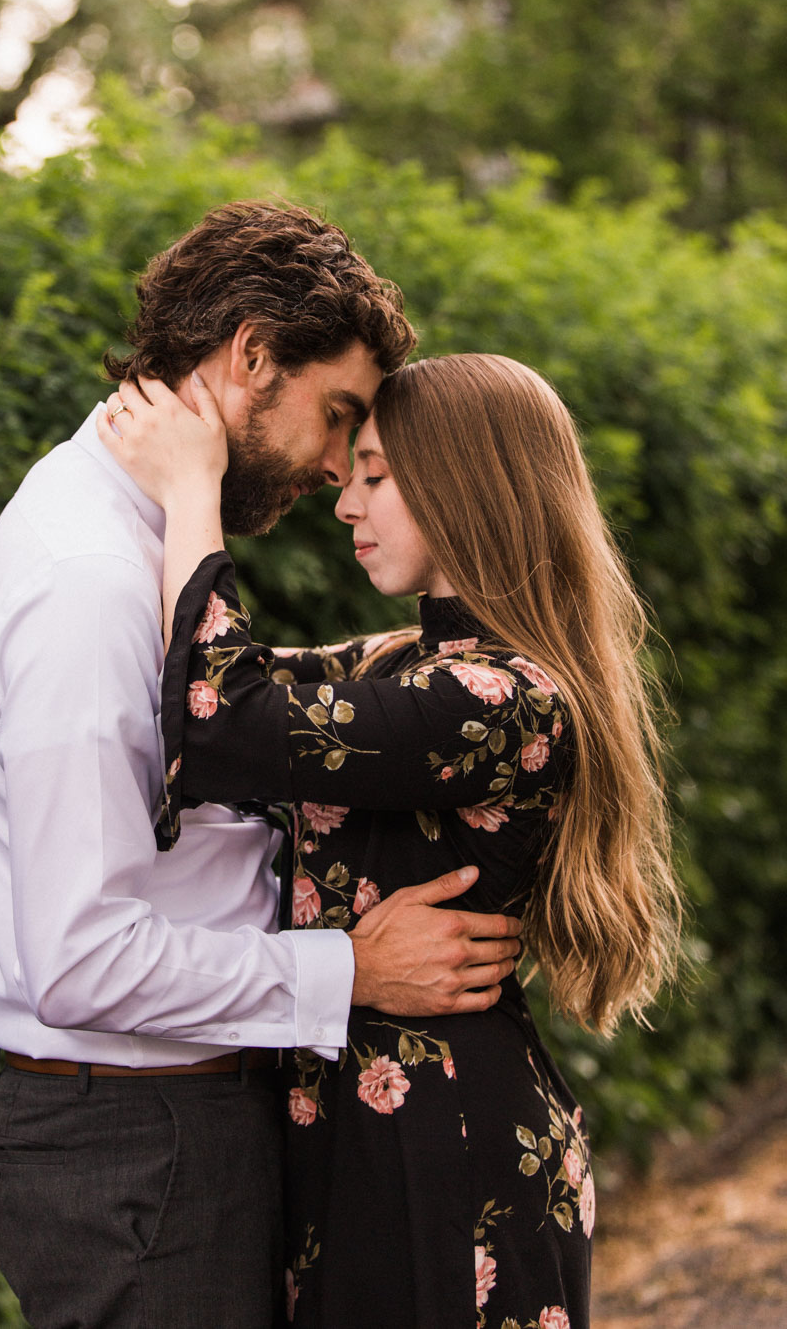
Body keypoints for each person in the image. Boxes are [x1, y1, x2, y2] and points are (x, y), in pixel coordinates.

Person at [0, 203, 525, 1329]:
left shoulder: (137, 542)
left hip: (174, 1133)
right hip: (141, 1158)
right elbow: (79, 960)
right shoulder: (88, 584)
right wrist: (345, 972)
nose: (331, 467)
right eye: (335, 415)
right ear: (252, 354)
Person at [97, 351, 683, 1329]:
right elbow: (194, 693)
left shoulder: (504, 697)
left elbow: (222, 717)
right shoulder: (408, 663)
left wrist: (191, 484)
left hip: (447, 1148)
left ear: (465, 483)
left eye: (373, 475)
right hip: (365, 1136)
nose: (345, 506)